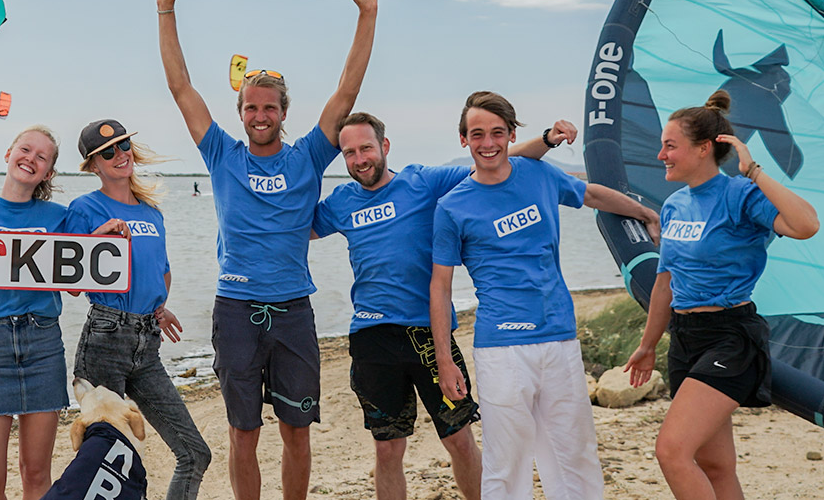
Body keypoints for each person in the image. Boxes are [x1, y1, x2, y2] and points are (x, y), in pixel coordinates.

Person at [156, 0, 378, 500]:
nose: (260, 115)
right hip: (235, 311)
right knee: (243, 433)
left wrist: (367, 14)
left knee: (297, 432)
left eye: (269, 108)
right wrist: (166, 8)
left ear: (283, 113)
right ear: (240, 112)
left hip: (294, 311)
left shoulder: (309, 156)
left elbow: (346, 92)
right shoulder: (221, 153)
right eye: (251, 107)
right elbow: (181, 88)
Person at [312, 111, 576, 500]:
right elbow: (291, 229)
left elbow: (493, 160)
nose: (359, 159)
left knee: (459, 439)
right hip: (372, 337)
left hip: (429, 335)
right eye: (349, 153)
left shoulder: (422, 181)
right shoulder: (340, 202)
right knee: (387, 449)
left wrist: (547, 140)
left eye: (366, 148)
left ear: (384, 146)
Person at [429, 91, 661, 500]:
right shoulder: (451, 207)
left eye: (497, 132)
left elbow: (591, 194)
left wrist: (645, 213)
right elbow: (440, 286)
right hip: (501, 347)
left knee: (575, 455)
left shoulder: (538, 174)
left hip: (559, 337)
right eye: (477, 134)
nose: (488, 143)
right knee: (506, 463)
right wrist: (444, 361)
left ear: (511, 134)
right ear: (463, 139)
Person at [623, 90, 818, 500]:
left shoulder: (740, 195)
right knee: (714, 466)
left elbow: (806, 225)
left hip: (730, 336)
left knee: (672, 451)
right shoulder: (674, 205)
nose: (661, 155)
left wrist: (755, 172)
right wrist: (647, 345)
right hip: (685, 337)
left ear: (703, 148)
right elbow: (664, 283)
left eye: (670, 146)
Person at [0, 125, 128, 500]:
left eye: (41, 157)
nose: (31, 159)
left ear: (48, 173)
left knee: (37, 474)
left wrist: (100, 242)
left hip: (42, 344)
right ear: (8, 154)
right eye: (25, 150)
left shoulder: (60, 216)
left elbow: (75, 284)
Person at [69, 118, 212, 500]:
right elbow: (70, 285)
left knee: (195, 454)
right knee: (105, 463)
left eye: (123, 145)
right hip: (105, 340)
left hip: (147, 345)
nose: (120, 155)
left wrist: (159, 308)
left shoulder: (152, 212)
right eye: (107, 152)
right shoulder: (85, 208)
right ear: (93, 165)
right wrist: (95, 241)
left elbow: (162, 270)